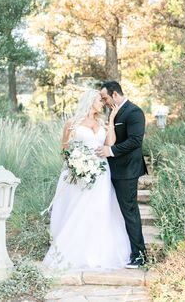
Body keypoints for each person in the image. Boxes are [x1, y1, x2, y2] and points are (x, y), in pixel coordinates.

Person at [43, 89, 131, 270]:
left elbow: (110, 144)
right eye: (100, 100)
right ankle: (73, 252)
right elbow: (64, 149)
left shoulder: (103, 123)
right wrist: (76, 164)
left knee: (100, 210)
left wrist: (112, 120)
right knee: (78, 210)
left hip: (101, 172)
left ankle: (96, 252)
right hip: (79, 172)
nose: (103, 103)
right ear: (91, 101)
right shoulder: (72, 123)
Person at [97, 81, 148, 269]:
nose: (103, 101)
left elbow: (135, 141)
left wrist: (110, 151)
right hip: (112, 170)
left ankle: (139, 256)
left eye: (105, 97)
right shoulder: (114, 112)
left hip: (126, 171)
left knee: (130, 212)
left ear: (115, 94)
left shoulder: (134, 112)